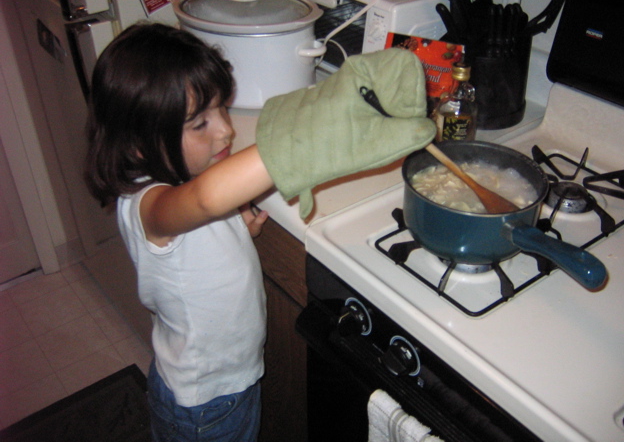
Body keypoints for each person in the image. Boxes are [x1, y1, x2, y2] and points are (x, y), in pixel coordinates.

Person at [85, 22, 434, 442]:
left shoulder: (180, 180)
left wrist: (236, 231)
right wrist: (308, 135)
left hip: (228, 383)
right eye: (200, 123)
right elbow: (205, 201)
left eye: (222, 109)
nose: (226, 130)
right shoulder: (149, 206)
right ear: (139, 143)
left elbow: (201, 225)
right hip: (206, 405)